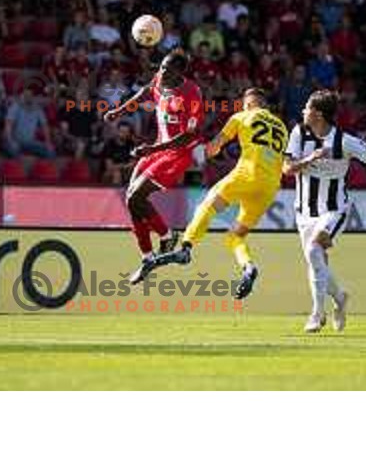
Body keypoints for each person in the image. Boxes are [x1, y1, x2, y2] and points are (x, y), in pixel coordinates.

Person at [154, 87, 288, 300]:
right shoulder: (281, 126)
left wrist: (201, 150)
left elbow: (215, 147)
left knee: (207, 206)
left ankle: (186, 247)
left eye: (244, 104)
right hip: (269, 186)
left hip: (246, 176)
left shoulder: (242, 116)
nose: (243, 107)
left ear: (251, 103)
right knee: (236, 236)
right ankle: (248, 267)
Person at [283, 89, 366, 333]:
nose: (303, 111)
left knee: (314, 249)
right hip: (304, 211)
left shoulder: (346, 141)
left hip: (335, 209)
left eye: (307, 107)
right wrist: (312, 158)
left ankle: (316, 314)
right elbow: (287, 169)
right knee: (316, 260)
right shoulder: (299, 133)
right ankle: (340, 298)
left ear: (318, 114)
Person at [104, 49, 204, 284]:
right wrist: (119, 111)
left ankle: (167, 235)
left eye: (168, 69)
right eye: (161, 67)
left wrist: (151, 150)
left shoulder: (192, 93)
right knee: (131, 200)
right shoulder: (161, 79)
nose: (161, 72)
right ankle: (148, 256)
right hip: (158, 148)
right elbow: (144, 92)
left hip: (177, 155)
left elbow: (189, 137)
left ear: (180, 72)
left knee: (137, 196)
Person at [4, 88, 55, 158]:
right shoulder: (16, 106)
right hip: (15, 140)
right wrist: (10, 141)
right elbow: (8, 125)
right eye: (26, 95)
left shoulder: (37, 108)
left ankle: (43, 167)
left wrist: (48, 142)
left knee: (51, 152)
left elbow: (45, 125)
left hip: (30, 142)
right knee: (13, 151)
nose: (28, 97)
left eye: (30, 95)